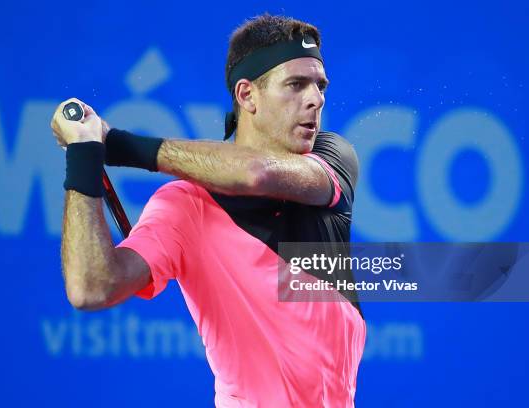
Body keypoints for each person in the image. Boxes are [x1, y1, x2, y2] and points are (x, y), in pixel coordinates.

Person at [51, 14, 365, 407]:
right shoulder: (183, 207)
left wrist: (116, 144)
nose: (315, 98)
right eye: (296, 85)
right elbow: (91, 288)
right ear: (247, 95)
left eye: (320, 85)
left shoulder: (334, 158)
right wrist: (84, 156)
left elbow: (254, 171)